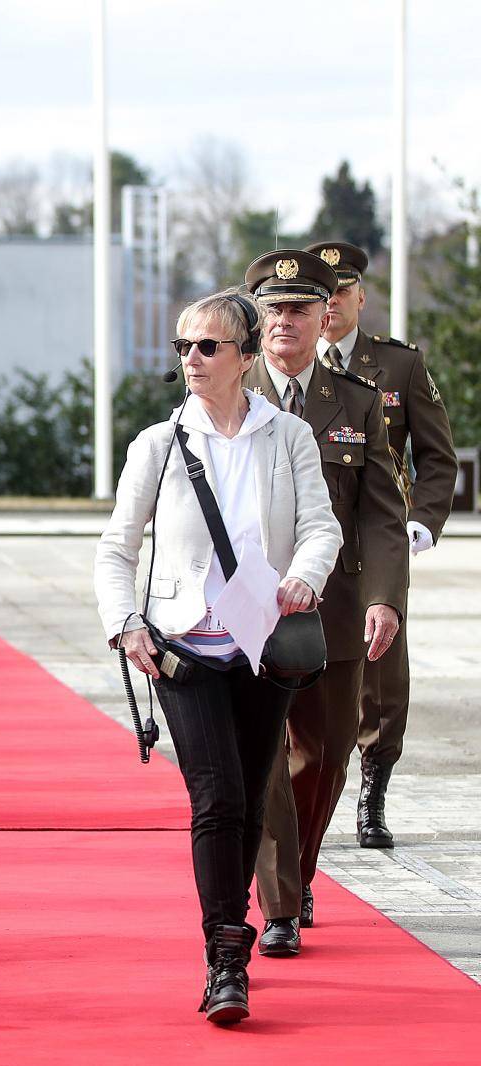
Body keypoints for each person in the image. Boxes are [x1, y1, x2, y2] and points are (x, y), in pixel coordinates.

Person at [95, 286, 341, 1025]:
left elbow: (321, 528)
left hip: (265, 647)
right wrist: (127, 624)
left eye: (206, 346)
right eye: (182, 347)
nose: (191, 360)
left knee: (250, 799)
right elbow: (116, 548)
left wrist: (303, 576)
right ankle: (225, 957)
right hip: (185, 649)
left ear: (244, 353)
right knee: (219, 797)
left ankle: (228, 938)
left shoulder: (287, 435)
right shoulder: (158, 444)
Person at [241, 249, 408, 957]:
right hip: (243, 607)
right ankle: (279, 907)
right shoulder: (225, 387)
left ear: (324, 316)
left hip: (333, 610)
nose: (286, 320)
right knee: (264, 760)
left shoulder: (357, 404)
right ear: (259, 318)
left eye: (300, 309)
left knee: (327, 752)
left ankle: (299, 871)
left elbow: (380, 516)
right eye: (274, 309)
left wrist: (384, 600)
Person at [305, 239, 458, 849]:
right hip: (302, 539)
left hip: (374, 537)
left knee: (380, 668)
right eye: (324, 294)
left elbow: (437, 459)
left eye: (343, 292)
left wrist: (420, 522)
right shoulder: (279, 364)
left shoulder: (396, 366)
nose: (334, 303)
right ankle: (310, 790)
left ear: (361, 299)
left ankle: (374, 787)